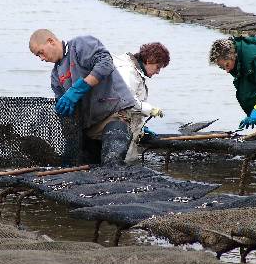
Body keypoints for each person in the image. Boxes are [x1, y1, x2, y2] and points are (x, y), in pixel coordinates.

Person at [29, 29, 136, 165]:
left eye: (41, 52)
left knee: (112, 162)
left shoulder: (80, 45)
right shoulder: (55, 76)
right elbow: (67, 115)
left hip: (113, 115)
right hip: (88, 128)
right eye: (38, 56)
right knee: (84, 166)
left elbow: (106, 63)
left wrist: (79, 88)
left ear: (51, 41)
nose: (42, 59)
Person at [111, 42, 170, 162]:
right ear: (149, 60)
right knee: (121, 163)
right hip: (118, 128)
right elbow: (127, 101)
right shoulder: (128, 72)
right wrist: (150, 110)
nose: (158, 72)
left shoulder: (134, 69)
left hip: (123, 125)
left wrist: (142, 126)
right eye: (158, 67)